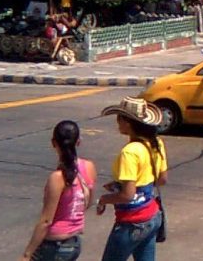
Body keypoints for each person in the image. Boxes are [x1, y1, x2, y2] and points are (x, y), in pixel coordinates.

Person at [97, 97, 167, 261]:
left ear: (128, 123)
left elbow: (127, 195)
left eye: (119, 119)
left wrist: (103, 200)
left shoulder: (130, 152)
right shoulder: (156, 143)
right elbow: (162, 179)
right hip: (152, 216)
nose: (117, 123)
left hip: (133, 222)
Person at [20, 120, 97, 261]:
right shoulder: (89, 167)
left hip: (54, 246)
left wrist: (27, 254)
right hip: (74, 242)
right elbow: (88, 202)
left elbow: (46, 221)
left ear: (53, 143)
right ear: (78, 142)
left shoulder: (57, 178)